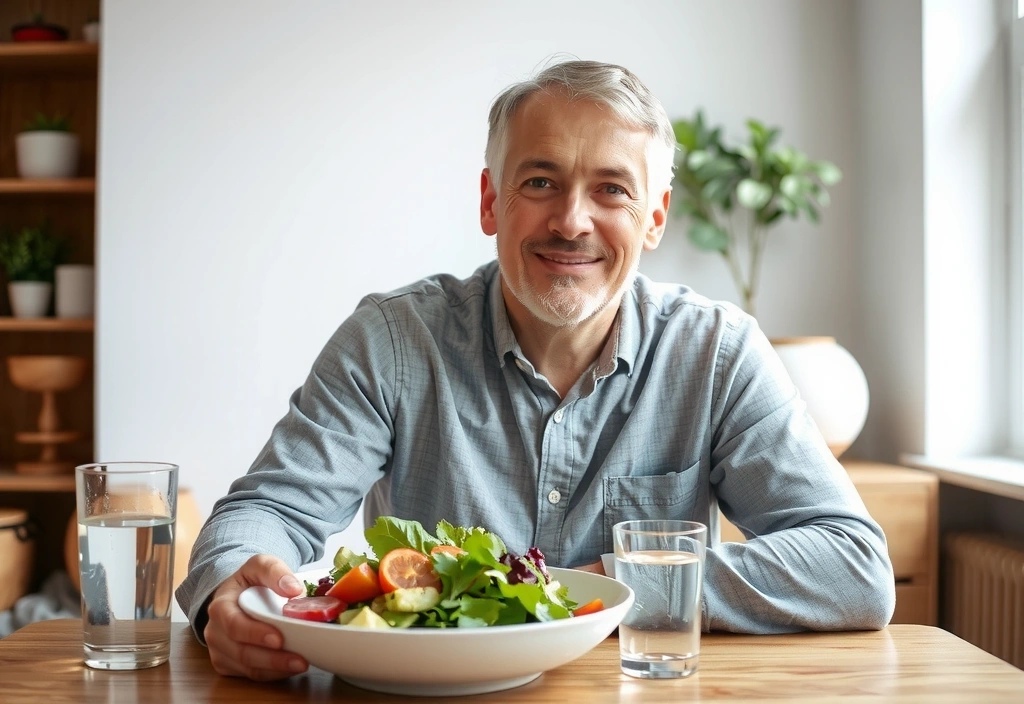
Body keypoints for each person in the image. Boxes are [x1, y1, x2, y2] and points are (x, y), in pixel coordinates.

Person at [176, 59, 895, 681]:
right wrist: (226, 599)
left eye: (612, 189)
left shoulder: (716, 354)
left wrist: (620, 587)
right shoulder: (391, 342)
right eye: (541, 182)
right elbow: (262, 516)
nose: (572, 221)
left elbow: (854, 565)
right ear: (491, 200)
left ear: (655, 217)